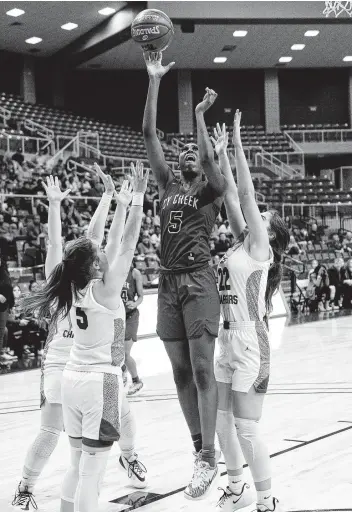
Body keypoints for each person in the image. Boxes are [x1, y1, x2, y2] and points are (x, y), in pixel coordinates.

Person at [12, 166, 148, 512]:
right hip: (82, 370)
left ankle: (128, 458)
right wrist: (132, 201)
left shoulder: (72, 283)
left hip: (77, 371)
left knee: (81, 460)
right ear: (93, 266)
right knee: (87, 469)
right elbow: (118, 242)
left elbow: (101, 242)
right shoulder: (98, 287)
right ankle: (25, 486)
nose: (101, 253)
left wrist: (110, 201)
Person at [143, 51, 226, 500]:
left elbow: (213, 164)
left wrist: (198, 115)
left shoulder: (211, 191)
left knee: (200, 368)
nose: (186, 151)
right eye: (183, 151)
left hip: (198, 279)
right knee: (178, 374)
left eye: (193, 149)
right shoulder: (167, 186)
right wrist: (155, 81)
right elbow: (148, 133)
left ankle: (210, 456)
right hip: (168, 282)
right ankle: (198, 451)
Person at [211, 115, 289, 512]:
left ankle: (265, 498)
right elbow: (229, 195)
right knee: (223, 423)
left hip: (250, 339)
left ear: (271, 233)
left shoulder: (261, 248)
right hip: (227, 337)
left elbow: (245, 194)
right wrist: (221, 154)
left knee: (246, 426)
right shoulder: (243, 242)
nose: (261, 216)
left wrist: (239, 142)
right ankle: (237, 488)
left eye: (265, 218)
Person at [120, 262, 144, 395]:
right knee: (115, 352)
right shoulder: (111, 270)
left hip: (130, 316)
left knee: (124, 352)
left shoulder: (134, 273)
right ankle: (122, 379)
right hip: (116, 316)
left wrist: (134, 303)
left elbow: (141, 296)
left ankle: (136, 381)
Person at [0, 253, 15, 362]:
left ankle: (1, 353)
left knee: (1, 331)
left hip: (3, 306)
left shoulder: (4, 273)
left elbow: (8, 290)